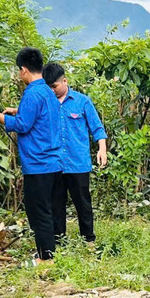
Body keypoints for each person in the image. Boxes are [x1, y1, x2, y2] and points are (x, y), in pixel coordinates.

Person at [0, 47, 64, 264]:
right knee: (49, 209)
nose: (19, 75)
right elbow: (42, 118)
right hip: (54, 162)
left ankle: (46, 258)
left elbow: (23, 125)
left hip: (38, 163)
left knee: (39, 212)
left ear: (24, 70)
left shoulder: (32, 93)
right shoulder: (48, 92)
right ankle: (49, 251)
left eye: (19, 71)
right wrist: (18, 110)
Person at [47, 62, 107, 244]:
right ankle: (59, 241)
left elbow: (97, 128)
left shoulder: (83, 101)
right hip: (55, 163)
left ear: (64, 81)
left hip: (78, 162)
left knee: (83, 203)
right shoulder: (47, 104)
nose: (52, 90)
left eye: (55, 86)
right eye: (48, 87)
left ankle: (88, 239)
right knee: (56, 204)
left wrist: (102, 149)